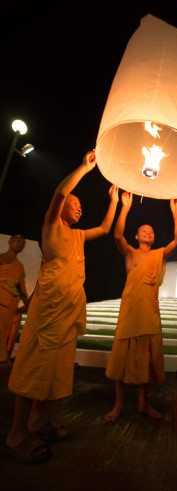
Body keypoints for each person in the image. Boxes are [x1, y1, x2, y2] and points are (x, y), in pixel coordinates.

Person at [1, 151, 119, 464]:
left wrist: (118, 199)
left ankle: (37, 421)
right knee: (33, 367)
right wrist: (85, 167)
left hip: (68, 310)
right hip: (49, 308)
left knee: (53, 369)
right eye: (75, 204)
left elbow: (106, 229)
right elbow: (60, 192)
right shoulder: (52, 228)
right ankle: (16, 434)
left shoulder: (78, 235)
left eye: (81, 206)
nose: (79, 208)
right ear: (62, 207)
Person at [105, 191, 177, 422]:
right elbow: (117, 235)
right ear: (137, 236)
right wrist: (125, 206)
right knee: (122, 356)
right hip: (131, 310)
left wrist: (176, 213)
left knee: (146, 359)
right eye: (144, 231)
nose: (148, 232)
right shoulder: (131, 253)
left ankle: (143, 403)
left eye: (151, 231)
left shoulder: (160, 255)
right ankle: (118, 404)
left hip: (150, 311)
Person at [0, 235, 28, 365]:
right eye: (17, 241)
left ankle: (1, 358)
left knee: (4, 331)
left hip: (10, 302)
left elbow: (21, 288)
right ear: (10, 241)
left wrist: (26, 304)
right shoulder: (1, 258)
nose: (19, 244)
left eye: (22, 243)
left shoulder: (19, 266)